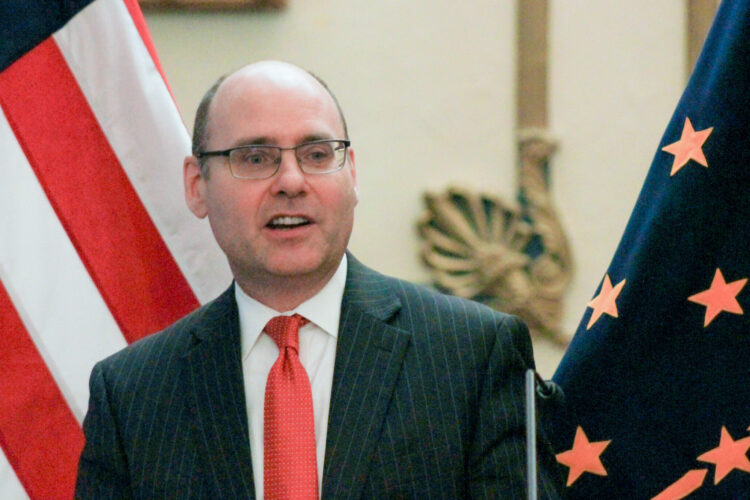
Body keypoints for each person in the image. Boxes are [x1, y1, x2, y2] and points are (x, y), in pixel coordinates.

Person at [75, 61, 564, 499]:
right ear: (196, 187)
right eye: (255, 158)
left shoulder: (472, 356)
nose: (291, 181)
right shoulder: (131, 393)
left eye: (316, 153)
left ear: (351, 173)